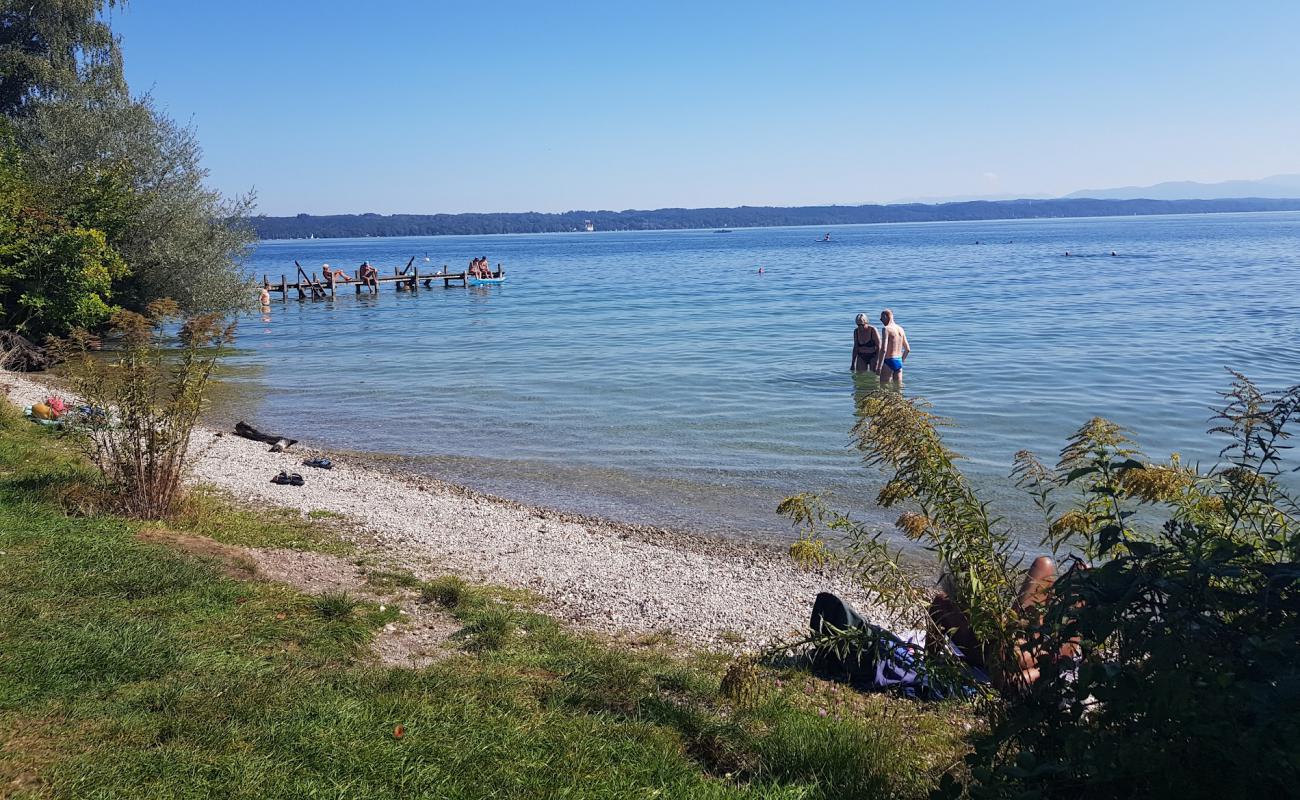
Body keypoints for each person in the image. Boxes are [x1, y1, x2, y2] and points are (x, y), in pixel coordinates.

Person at [876, 309, 910, 386]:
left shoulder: (886, 329)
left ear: (886, 316)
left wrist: (879, 367)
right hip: (898, 361)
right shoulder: (900, 329)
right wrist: (901, 361)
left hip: (888, 361)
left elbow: (884, 349)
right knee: (898, 390)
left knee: (884, 388)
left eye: (881, 319)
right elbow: (907, 349)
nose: (881, 321)